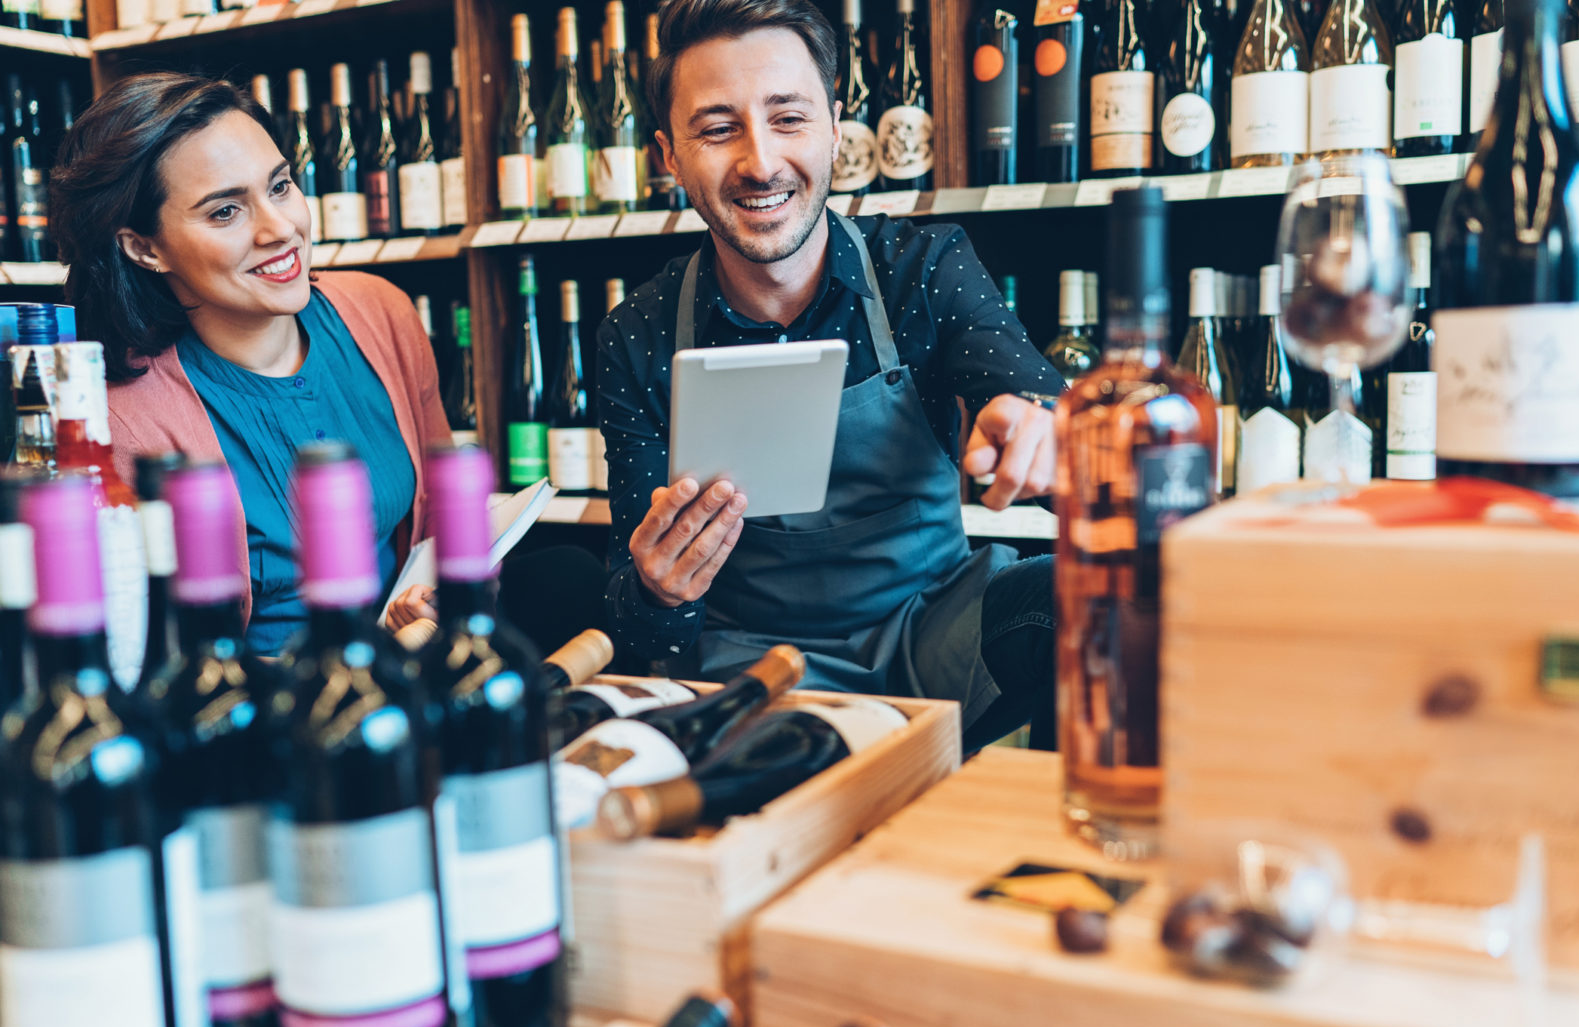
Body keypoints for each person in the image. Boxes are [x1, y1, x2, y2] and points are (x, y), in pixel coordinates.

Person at [597, 0, 1061, 750]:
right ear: (669, 157)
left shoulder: (923, 267)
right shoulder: (636, 333)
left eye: (788, 117)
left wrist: (1042, 424)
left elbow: (1036, 393)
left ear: (834, 125)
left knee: (1087, 601)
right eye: (718, 128)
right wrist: (658, 586)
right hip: (758, 671)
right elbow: (632, 612)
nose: (761, 161)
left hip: (935, 629)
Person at [50, 73, 604, 657]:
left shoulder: (381, 314)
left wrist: (448, 591)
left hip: (410, 661)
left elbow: (436, 515)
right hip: (281, 707)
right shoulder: (122, 425)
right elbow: (160, 660)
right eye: (225, 212)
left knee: (573, 574)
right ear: (144, 247)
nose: (280, 228)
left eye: (281, 186)